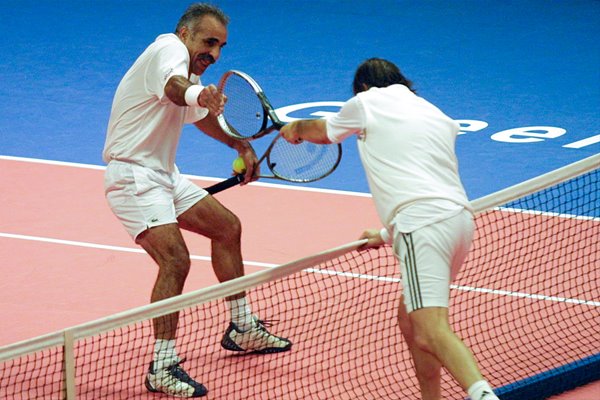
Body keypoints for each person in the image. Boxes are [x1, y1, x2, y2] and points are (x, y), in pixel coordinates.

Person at [280, 58, 499, 400]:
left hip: (422, 225)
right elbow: (426, 184)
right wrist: (383, 235)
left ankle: (483, 395)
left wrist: (295, 128)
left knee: (430, 330)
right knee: (410, 319)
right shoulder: (433, 112)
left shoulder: (368, 101)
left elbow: (322, 131)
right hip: (459, 223)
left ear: (363, 88)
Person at [102, 3, 291, 398]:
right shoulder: (169, 50)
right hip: (134, 176)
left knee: (227, 227)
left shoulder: (185, 69)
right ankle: (163, 365)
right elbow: (177, 90)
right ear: (186, 33)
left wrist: (238, 143)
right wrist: (197, 92)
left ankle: (242, 327)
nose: (215, 53)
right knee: (175, 259)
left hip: (163, 175)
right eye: (209, 42)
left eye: (221, 46)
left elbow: (195, 114)